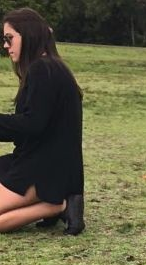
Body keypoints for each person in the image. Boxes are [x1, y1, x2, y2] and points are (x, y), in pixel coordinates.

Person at [0, 7, 84, 234]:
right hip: (41, 161)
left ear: (27, 35)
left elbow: (32, 125)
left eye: (9, 39)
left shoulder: (42, 70)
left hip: (43, 170)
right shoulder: (52, 67)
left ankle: (56, 205)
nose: (6, 46)